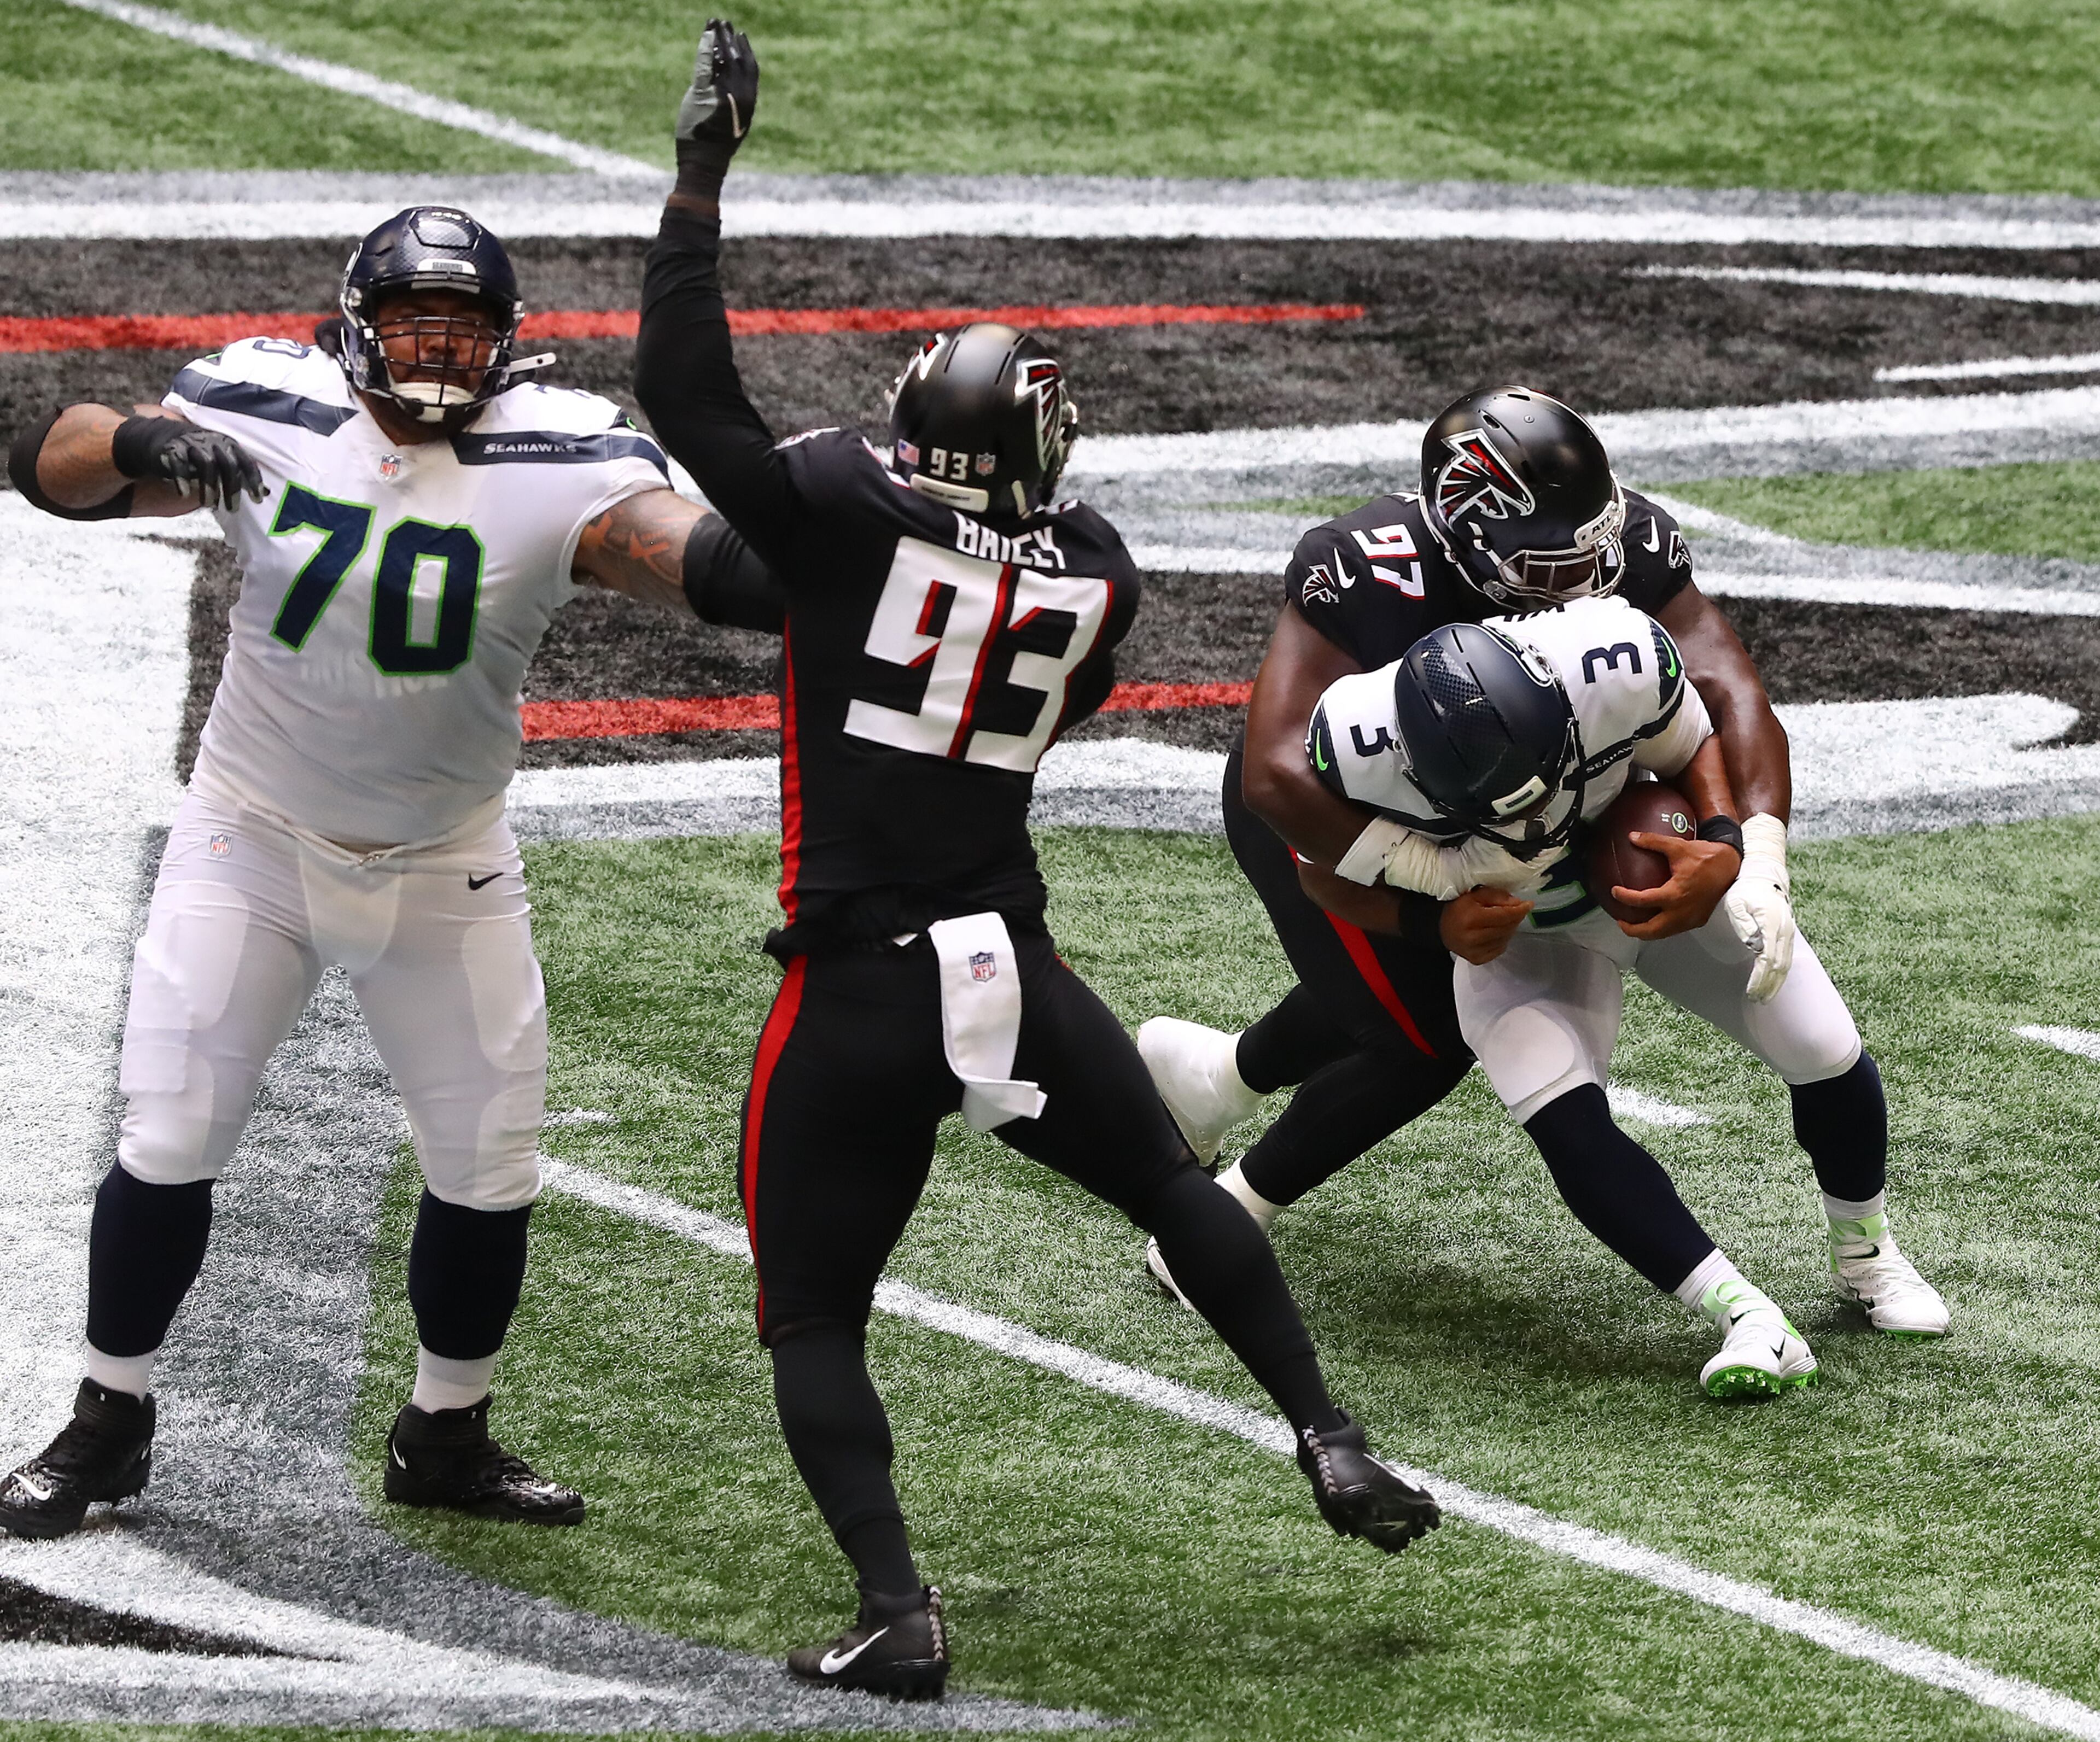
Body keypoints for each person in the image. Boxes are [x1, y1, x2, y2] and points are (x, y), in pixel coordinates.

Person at [632, 20, 1439, 1702]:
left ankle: (897, 1609)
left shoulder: (849, 501)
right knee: (1165, 1185)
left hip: (858, 977)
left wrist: (699, 179)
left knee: (811, 1315)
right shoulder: (1102, 570)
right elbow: (1029, 670)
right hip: (1010, 957)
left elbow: (687, 397)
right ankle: (1325, 1429)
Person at [0, 202, 782, 1540]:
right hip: (252, 835)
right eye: (415, 323)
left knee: (488, 1161)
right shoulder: (271, 403)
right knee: (172, 1132)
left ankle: (447, 1432)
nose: (438, 354)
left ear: (508, 345)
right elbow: (47, 464)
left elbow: (710, 567)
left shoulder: (561, 451)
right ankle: (107, 1416)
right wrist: (143, 439)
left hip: (446, 859)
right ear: (356, 322)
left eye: (465, 328)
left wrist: (833, 533)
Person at [1138, 388, 1948, 1353]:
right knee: (1418, 1033)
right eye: (1554, 564)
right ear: (1466, 544)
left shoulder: (1615, 636)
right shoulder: (1366, 601)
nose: (1587, 581)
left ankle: (1216, 1078)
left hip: (1576, 829)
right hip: (1355, 814)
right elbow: (1283, 782)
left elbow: (1724, 691)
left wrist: (1745, 847)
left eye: (1593, 550)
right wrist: (1431, 893)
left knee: (1814, 1035)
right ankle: (1217, 1223)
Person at [1305, 596, 1847, 1393]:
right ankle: (1750, 1316)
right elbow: (1315, 865)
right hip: (1527, 933)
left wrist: (1728, 844)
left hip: (1654, 874)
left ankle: (1872, 1260)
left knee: (1821, 1042)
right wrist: (1432, 921)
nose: (1534, 814)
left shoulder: (1611, 658)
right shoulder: (1356, 745)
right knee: (1556, 1107)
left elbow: (1695, 735)